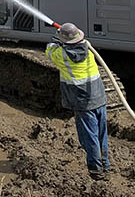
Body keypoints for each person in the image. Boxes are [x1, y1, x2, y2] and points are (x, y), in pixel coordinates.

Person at [46, 22, 111, 180]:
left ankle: (96, 170)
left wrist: (58, 38)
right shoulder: (87, 47)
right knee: (101, 135)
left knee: (89, 137)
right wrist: (68, 35)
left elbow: (49, 49)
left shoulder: (62, 55)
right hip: (99, 97)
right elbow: (79, 40)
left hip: (83, 103)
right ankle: (106, 165)